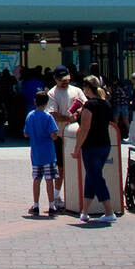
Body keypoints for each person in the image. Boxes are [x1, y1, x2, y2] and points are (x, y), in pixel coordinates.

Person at [70, 75, 118, 223]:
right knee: (91, 176)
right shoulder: (105, 104)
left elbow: (84, 128)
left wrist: (77, 148)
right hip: (105, 144)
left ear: (87, 88)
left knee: (96, 178)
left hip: (91, 146)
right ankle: (84, 211)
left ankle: (109, 211)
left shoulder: (90, 105)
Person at [45, 66, 82, 209]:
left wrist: (77, 113)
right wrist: (67, 117)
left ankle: (75, 194)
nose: (65, 82)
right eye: (61, 80)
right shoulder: (52, 93)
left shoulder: (76, 90)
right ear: (55, 79)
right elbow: (52, 113)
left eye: (66, 79)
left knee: (77, 165)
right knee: (60, 167)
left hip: (75, 133)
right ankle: (56, 196)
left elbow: (84, 104)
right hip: (60, 135)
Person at [24, 90, 60, 216]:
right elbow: (53, 135)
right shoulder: (48, 117)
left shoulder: (30, 116)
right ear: (47, 103)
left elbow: (26, 133)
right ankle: (51, 205)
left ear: (35, 101)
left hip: (36, 153)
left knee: (36, 179)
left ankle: (36, 205)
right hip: (48, 153)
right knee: (49, 179)